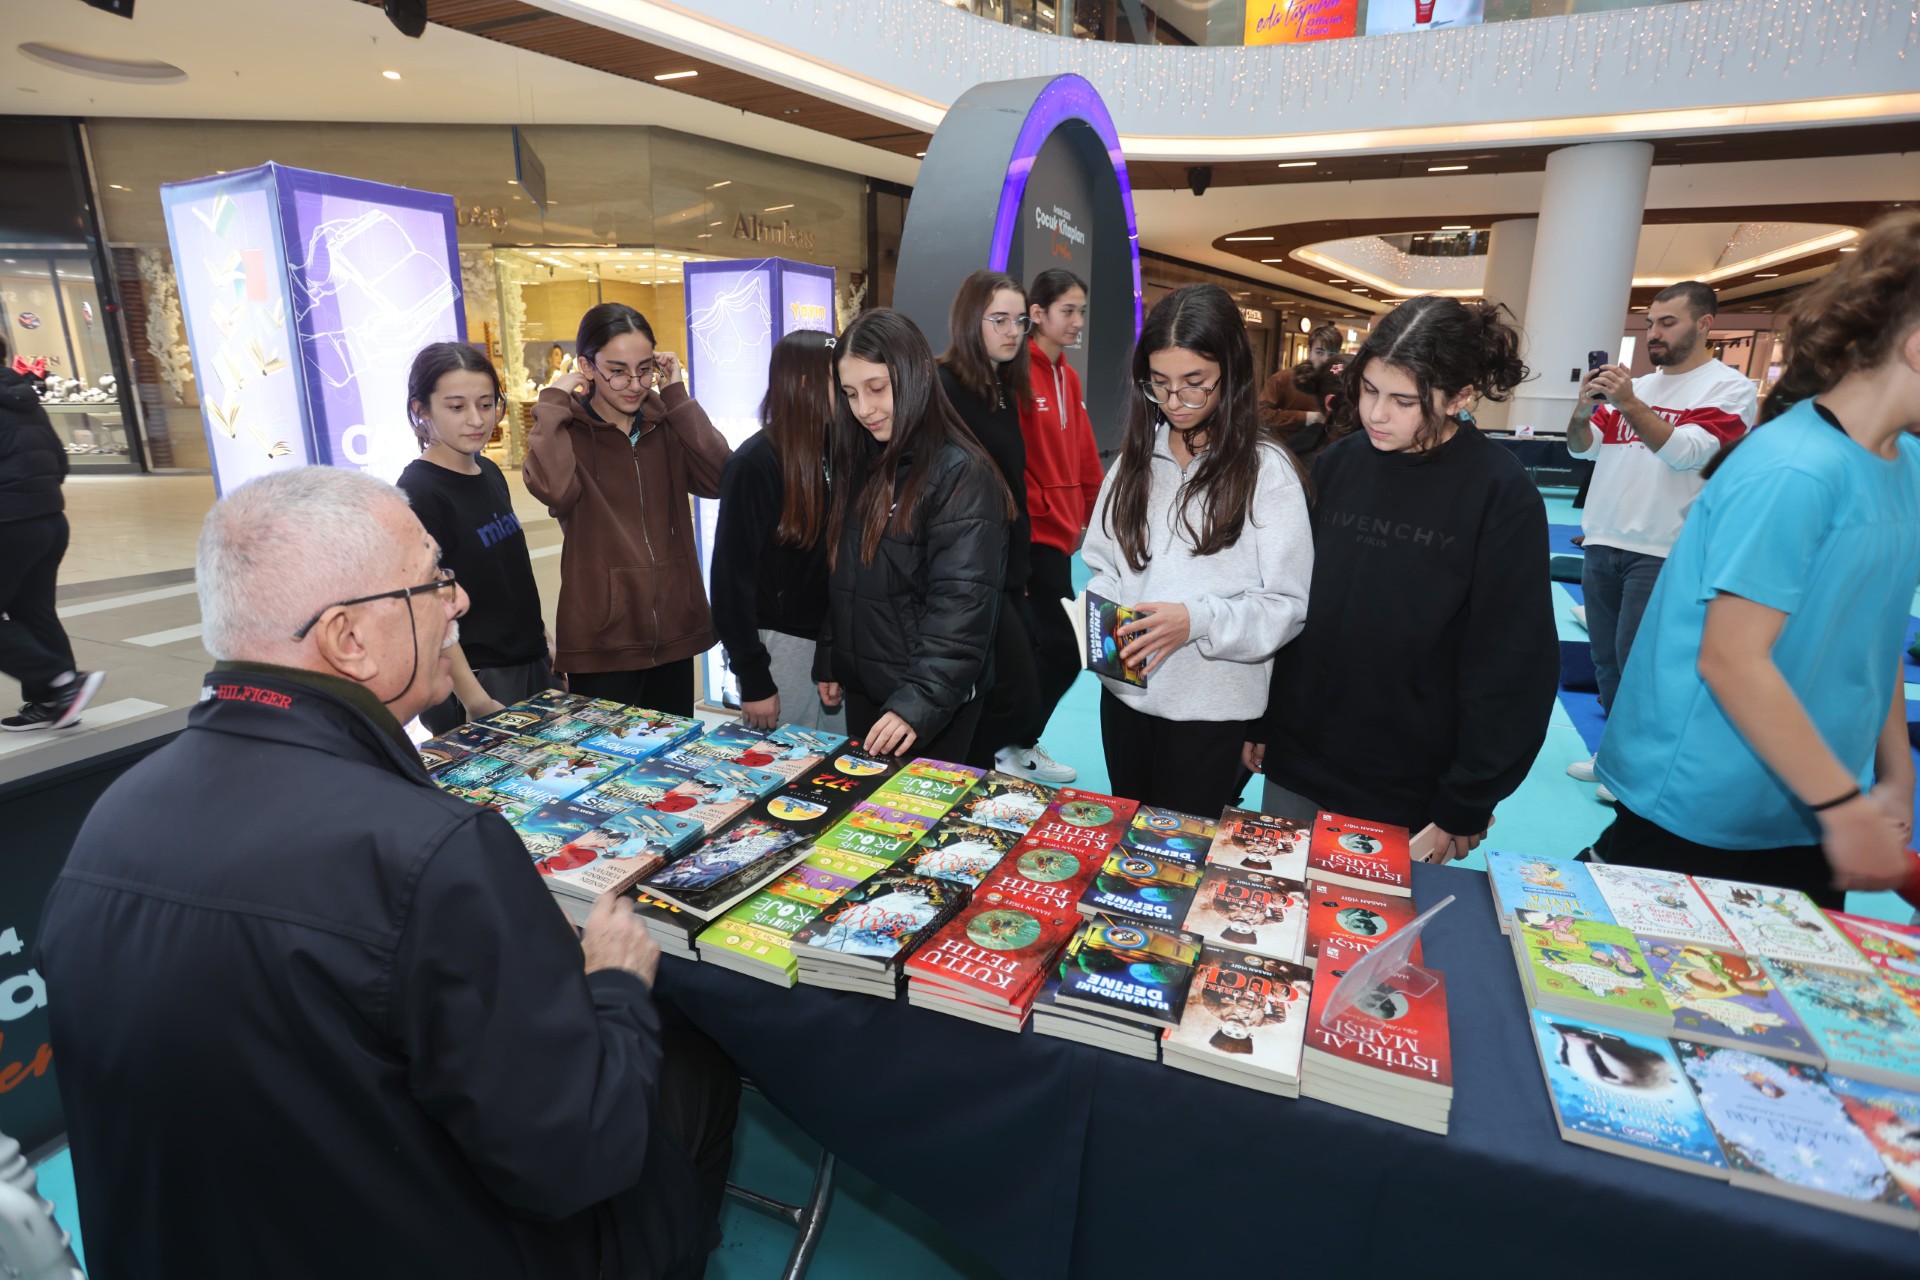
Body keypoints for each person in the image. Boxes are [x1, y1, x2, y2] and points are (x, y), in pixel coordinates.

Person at [35, 466, 738, 1279]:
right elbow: (576, 1157)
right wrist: (614, 987)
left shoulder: (107, 824)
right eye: (434, 582)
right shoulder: (432, 852)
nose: (459, 604)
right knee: (692, 1074)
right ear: (347, 637)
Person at [1590, 212, 1920, 907]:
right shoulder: (1794, 469)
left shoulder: (1905, 463)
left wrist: (1893, 775)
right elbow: (1731, 658)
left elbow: (1875, 633)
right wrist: (1842, 805)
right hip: (1705, 803)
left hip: (1805, 801)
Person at [1246, 296, 1558, 864]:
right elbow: (1296, 604)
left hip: (1407, 782)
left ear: (1461, 397)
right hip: (1298, 756)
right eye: (1368, 390)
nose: (1376, 414)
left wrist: (1465, 801)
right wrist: (1265, 717)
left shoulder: (1498, 493)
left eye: (1402, 400)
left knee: (1367, 944)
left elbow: (1513, 663)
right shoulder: (1339, 464)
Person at [1082, 284, 1312, 816]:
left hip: (1213, 715)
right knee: (1132, 855)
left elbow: (1285, 607)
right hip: (1126, 703)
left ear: (1230, 374)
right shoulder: (1135, 460)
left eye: (1194, 386)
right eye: (1159, 385)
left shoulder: (1267, 473)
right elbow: (1103, 564)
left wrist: (1198, 620)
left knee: (1186, 864)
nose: (1173, 403)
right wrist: (1104, 620)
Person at [1564, 281, 1758, 792]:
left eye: (1667, 322)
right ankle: (1615, 756)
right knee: (1606, 659)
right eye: (1650, 323)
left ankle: (1641, 769)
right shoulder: (1641, 388)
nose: (1654, 333)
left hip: (1664, 548)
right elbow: (1582, 448)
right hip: (1604, 539)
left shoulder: (1730, 389)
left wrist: (1627, 404)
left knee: (1642, 665)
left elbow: (1687, 453)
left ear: (1704, 325)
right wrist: (1584, 410)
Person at [813, 308, 1012, 760]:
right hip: (870, 686)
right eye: (850, 394)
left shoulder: (961, 473)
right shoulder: (863, 458)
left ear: (914, 374)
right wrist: (832, 656)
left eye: (877, 389)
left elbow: (961, 608)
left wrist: (916, 703)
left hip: (928, 702)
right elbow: (847, 572)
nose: (864, 409)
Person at [525, 303, 732, 717]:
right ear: (586, 365)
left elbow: (720, 477)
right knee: (603, 768)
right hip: (602, 640)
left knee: (673, 768)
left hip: (673, 630)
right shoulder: (568, 433)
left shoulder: (666, 423)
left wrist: (675, 393)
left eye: (644, 369)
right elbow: (556, 490)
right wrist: (551, 403)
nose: (633, 384)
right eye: (617, 370)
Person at [935, 270, 1070, 780]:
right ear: (971, 320)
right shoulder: (942, 385)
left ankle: (967, 771)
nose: (1013, 330)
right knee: (1009, 694)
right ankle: (959, 767)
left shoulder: (1003, 386)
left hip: (1008, 567)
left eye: (1018, 320)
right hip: (967, 571)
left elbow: (1011, 482)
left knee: (1012, 689)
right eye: (999, 319)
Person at [396, 342, 551, 735]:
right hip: (478, 681)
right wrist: (474, 697)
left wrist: (543, 642)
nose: (476, 419)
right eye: (456, 406)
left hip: (527, 662)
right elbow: (429, 605)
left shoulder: (488, 471)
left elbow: (508, 572)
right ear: (421, 411)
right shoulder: (418, 492)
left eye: (486, 404)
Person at [711, 329, 843, 732]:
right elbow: (730, 581)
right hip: (779, 648)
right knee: (782, 772)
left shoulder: (836, 450)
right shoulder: (754, 463)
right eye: (838, 379)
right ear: (806, 383)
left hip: (829, 648)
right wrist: (753, 676)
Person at [1021, 268, 1105, 772]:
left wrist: (1091, 515)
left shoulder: (1067, 376)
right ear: (1038, 314)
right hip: (1031, 538)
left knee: (1047, 649)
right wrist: (1041, 512)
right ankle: (1015, 742)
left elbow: (1083, 456)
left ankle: (1014, 743)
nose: (1077, 322)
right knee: (1062, 649)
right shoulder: (1016, 374)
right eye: (1068, 311)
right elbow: (1015, 459)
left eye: (1081, 311)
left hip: (1062, 539)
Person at [0, 333, 103, 731]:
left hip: (9, 524)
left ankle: (62, 682)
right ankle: (52, 702)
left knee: (30, 610)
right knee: (32, 610)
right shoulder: (21, 397)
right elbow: (59, 461)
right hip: (48, 520)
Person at [1258, 323, 1343, 444]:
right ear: (1309, 351)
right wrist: (1306, 417)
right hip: (1285, 450)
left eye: (1332, 355)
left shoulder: (1339, 384)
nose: (1325, 359)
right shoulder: (1283, 378)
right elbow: (1261, 414)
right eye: (1319, 352)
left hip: (1321, 451)